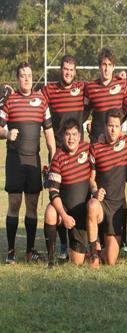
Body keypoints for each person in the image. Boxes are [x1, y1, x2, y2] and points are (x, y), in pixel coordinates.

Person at [0, 62, 56, 264]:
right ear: (17, 79)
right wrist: (6, 133)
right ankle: (11, 251)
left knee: (32, 206)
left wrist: (53, 162)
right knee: (14, 204)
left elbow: (50, 136)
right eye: (22, 75)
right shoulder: (9, 100)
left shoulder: (42, 101)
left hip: (34, 161)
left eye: (29, 75)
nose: (27, 78)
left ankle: (31, 250)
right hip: (15, 161)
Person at [42, 54, 88, 260]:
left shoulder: (82, 87)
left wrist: (122, 77)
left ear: (75, 71)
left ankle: (86, 240)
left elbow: (100, 90)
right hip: (60, 152)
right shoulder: (50, 90)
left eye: (71, 69)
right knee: (58, 196)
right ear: (60, 70)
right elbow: (34, 100)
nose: (68, 72)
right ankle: (62, 245)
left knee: (80, 195)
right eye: (65, 69)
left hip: (78, 152)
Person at [86, 109, 127, 268]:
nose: (113, 129)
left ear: (121, 128)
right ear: (105, 126)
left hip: (117, 206)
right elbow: (91, 179)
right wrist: (95, 191)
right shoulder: (95, 148)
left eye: (116, 126)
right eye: (110, 125)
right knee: (92, 205)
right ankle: (93, 253)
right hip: (102, 204)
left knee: (111, 261)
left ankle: (101, 248)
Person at [44, 119, 91, 267]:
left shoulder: (88, 149)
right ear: (63, 136)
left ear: (80, 136)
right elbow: (53, 193)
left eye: (74, 134)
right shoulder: (58, 156)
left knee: (77, 262)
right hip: (65, 210)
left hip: (83, 213)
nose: (71, 138)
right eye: (67, 134)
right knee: (50, 212)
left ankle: (84, 247)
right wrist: (64, 216)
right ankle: (51, 260)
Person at [84, 47, 127, 143]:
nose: (106, 68)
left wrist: (119, 125)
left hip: (115, 139)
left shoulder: (123, 84)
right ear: (99, 66)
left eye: (109, 65)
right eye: (104, 64)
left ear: (113, 67)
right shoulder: (90, 87)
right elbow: (85, 112)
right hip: (97, 139)